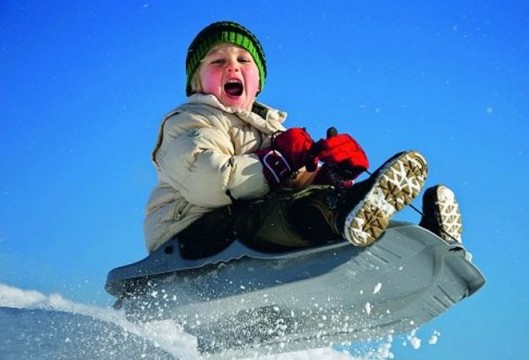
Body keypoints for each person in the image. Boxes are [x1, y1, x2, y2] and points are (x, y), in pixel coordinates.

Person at [143, 21, 463, 258]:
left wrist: (332, 175)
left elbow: (290, 185)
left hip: (247, 233)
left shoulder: (270, 133)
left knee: (310, 200)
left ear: (257, 84)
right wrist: (279, 160)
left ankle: (422, 244)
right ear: (196, 83)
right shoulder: (189, 120)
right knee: (292, 211)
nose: (232, 66)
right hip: (188, 234)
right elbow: (209, 182)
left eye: (244, 61)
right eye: (217, 61)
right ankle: (347, 212)